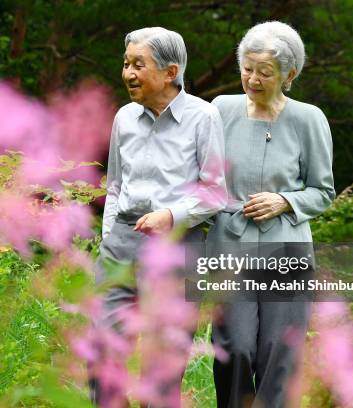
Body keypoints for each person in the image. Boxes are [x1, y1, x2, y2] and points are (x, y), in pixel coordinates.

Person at [92, 27, 227, 406]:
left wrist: (170, 215)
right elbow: (115, 185)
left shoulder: (204, 117)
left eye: (138, 64)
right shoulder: (123, 117)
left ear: (170, 72)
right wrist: (109, 238)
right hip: (121, 244)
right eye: (126, 64)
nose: (128, 73)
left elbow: (215, 191)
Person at [208, 21, 335, 408]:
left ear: (289, 74)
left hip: (287, 252)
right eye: (247, 69)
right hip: (230, 248)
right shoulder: (220, 110)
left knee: (278, 355)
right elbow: (203, 179)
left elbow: (323, 191)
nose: (253, 79)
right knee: (235, 347)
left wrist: (286, 201)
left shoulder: (308, 119)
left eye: (264, 72)